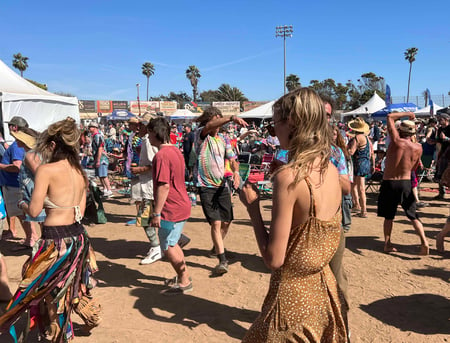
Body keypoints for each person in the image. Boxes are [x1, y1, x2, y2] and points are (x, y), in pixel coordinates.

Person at [239, 88, 347, 342]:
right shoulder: (331, 169)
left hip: (291, 300)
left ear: (293, 123)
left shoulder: (289, 178)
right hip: (324, 292)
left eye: (275, 124)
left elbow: (274, 259)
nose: (274, 132)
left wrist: (253, 210)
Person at [0, 117, 100, 342]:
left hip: (55, 241)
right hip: (78, 238)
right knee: (69, 286)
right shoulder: (78, 171)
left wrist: (23, 204)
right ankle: (68, 324)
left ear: (53, 145)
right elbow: (80, 212)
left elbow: (34, 212)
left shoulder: (47, 170)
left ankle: (57, 332)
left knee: (39, 288)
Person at [194, 107, 247, 276]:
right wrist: (231, 117)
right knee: (216, 223)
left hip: (222, 185)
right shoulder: (201, 134)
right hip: (206, 186)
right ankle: (222, 259)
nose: (219, 122)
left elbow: (232, 159)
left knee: (227, 220)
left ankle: (216, 248)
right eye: (217, 119)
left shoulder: (223, 139)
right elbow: (210, 125)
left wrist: (236, 173)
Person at [147, 117, 192, 295]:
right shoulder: (175, 151)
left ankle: (184, 280)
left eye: (149, 132)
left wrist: (156, 213)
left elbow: (164, 185)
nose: (148, 137)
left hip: (171, 207)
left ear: (155, 133)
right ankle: (183, 276)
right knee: (171, 242)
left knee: (168, 246)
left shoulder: (161, 155)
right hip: (180, 203)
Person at [377, 112, 429, 255]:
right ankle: (424, 241)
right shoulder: (418, 147)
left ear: (400, 130)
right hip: (406, 182)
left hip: (390, 181)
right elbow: (414, 167)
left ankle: (387, 244)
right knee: (412, 215)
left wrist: (408, 114)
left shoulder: (396, 142)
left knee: (389, 216)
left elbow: (389, 117)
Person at [0, 116, 38, 247]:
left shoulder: (17, 145)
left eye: (10, 125)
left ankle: (31, 238)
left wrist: (0, 166)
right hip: (14, 184)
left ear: (15, 127)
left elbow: (17, 166)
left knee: (22, 214)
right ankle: (31, 237)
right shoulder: (19, 144)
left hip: (14, 185)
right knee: (22, 213)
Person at [131, 114, 162, 265]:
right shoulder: (146, 140)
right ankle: (174, 240)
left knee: (144, 219)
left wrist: (139, 169)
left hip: (150, 186)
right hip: (149, 186)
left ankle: (156, 247)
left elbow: (154, 164)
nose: (138, 128)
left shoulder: (149, 142)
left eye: (141, 125)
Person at [347, 117, 375, 218]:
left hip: (358, 164)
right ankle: (357, 205)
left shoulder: (356, 138)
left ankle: (364, 210)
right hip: (365, 163)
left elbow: (351, 152)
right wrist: (373, 165)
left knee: (360, 188)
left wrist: (344, 150)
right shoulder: (367, 138)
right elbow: (371, 153)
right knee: (354, 185)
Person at [124, 117, 142, 225]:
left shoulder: (140, 137)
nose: (129, 126)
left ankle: (140, 217)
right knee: (137, 194)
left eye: (131, 124)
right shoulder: (131, 136)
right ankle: (140, 216)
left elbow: (139, 152)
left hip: (138, 167)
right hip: (133, 166)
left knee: (139, 194)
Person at [89, 121, 113, 197]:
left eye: (91, 127)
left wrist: (98, 160)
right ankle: (105, 189)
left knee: (103, 175)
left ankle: (109, 190)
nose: (89, 128)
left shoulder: (98, 136)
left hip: (102, 158)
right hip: (98, 157)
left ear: (95, 128)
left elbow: (100, 148)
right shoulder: (95, 136)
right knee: (100, 175)